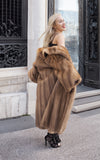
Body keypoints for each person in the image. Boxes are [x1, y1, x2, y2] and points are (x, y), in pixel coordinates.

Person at [28, 13, 82, 148]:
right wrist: (72, 78)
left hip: (46, 78)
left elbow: (46, 58)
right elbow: (62, 60)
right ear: (54, 25)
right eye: (60, 21)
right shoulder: (60, 36)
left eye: (64, 21)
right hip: (57, 78)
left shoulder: (50, 38)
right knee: (57, 106)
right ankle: (52, 135)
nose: (64, 23)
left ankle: (52, 134)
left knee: (50, 105)